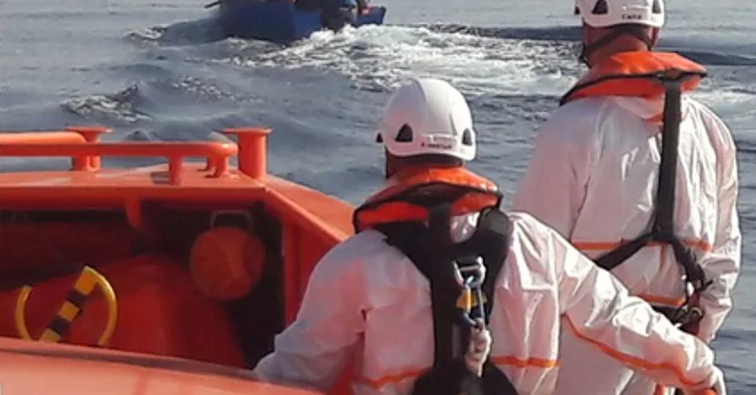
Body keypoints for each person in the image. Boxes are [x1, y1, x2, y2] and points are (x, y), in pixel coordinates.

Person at [253, 77, 726, 395]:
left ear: (390, 156)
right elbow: (615, 317)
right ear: (467, 151)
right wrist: (697, 369)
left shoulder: (355, 264)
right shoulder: (538, 246)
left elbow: (299, 369)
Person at [513, 0, 741, 395]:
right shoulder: (712, 132)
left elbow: (531, 258)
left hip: (584, 344)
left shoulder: (574, 128)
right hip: (671, 341)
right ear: (654, 29)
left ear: (589, 26)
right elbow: (723, 259)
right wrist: (689, 350)